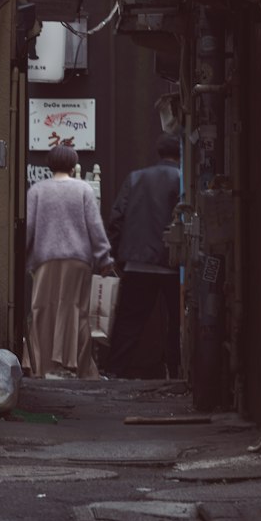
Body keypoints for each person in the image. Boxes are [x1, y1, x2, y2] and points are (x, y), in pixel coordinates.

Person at [25, 144, 116, 378]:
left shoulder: (37, 190)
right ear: (73, 163)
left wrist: (23, 256)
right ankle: (81, 368)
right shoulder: (83, 189)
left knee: (42, 311)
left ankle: (44, 367)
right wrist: (103, 257)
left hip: (46, 260)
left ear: (49, 163)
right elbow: (95, 227)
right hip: (79, 260)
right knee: (77, 311)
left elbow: (29, 228)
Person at [106, 132, 182, 379]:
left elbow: (117, 218)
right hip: (173, 263)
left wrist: (119, 254)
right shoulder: (182, 178)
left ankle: (115, 371)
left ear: (159, 152)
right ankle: (177, 371)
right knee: (179, 320)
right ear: (180, 153)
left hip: (137, 262)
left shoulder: (136, 178)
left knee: (129, 321)